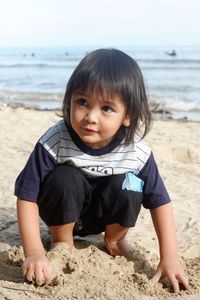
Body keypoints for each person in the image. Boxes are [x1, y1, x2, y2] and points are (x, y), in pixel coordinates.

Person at [15, 48, 188, 292]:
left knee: (130, 183)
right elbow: (27, 196)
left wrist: (170, 256)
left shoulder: (136, 152)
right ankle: (62, 243)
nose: (90, 117)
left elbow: (160, 202)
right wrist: (33, 251)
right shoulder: (55, 140)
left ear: (127, 116)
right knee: (64, 177)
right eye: (82, 102)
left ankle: (115, 241)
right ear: (69, 100)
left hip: (107, 217)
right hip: (64, 216)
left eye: (106, 108)